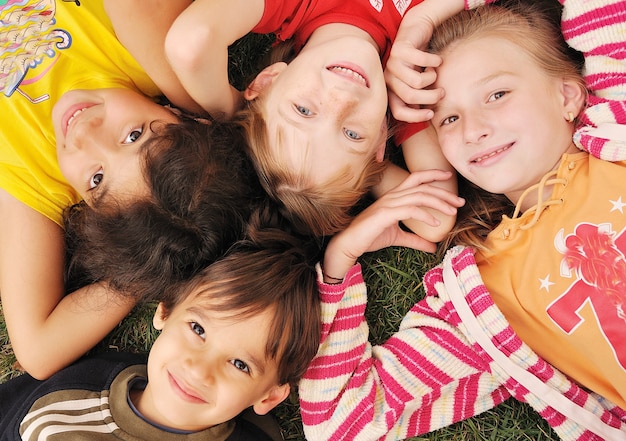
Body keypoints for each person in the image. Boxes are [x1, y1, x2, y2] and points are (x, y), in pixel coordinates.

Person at [297, 1, 626, 440]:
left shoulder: (615, 130)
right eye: (448, 118)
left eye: (497, 94)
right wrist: (338, 261)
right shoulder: (485, 304)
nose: (472, 129)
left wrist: (421, 21)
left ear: (567, 95)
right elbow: (341, 423)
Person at [0, 0, 263, 380]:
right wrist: (216, 106)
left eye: (97, 180)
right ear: (182, 115)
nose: (86, 134)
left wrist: (145, 269)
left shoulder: (35, 173)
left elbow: (38, 349)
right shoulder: (140, 51)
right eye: (134, 135)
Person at [0, 210, 321, 441]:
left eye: (240, 364)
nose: (199, 370)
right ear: (165, 311)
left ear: (269, 397)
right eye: (198, 330)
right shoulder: (66, 403)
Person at [161, 0, 463, 240]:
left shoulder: (296, 6)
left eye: (303, 111)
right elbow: (436, 218)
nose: (342, 100)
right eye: (352, 134)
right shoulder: (411, 78)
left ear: (268, 81)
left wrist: (235, 113)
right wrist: (366, 172)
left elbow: (190, 45)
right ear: (381, 138)